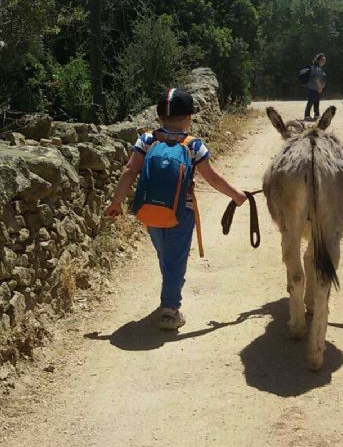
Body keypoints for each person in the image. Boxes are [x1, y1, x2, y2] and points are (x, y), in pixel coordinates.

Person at [105, 88, 247, 330]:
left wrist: (116, 201)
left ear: (160, 117)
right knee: (176, 258)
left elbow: (129, 170)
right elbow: (211, 178)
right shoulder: (194, 146)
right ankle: (170, 309)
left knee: (165, 255)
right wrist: (236, 196)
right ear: (189, 118)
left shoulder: (146, 140)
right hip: (182, 212)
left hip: (150, 210)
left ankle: (168, 291)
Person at [304, 53, 327, 121]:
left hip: (315, 88)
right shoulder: (316, 68)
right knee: (311, 100)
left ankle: (316, 115)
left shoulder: (318, 68)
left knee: (316, 101)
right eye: (323, 59)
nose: (324, 61)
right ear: (318, 60)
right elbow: (316, 79)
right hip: (312, 87)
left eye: (324, 60)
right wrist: (320, 87)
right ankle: (307, 115)